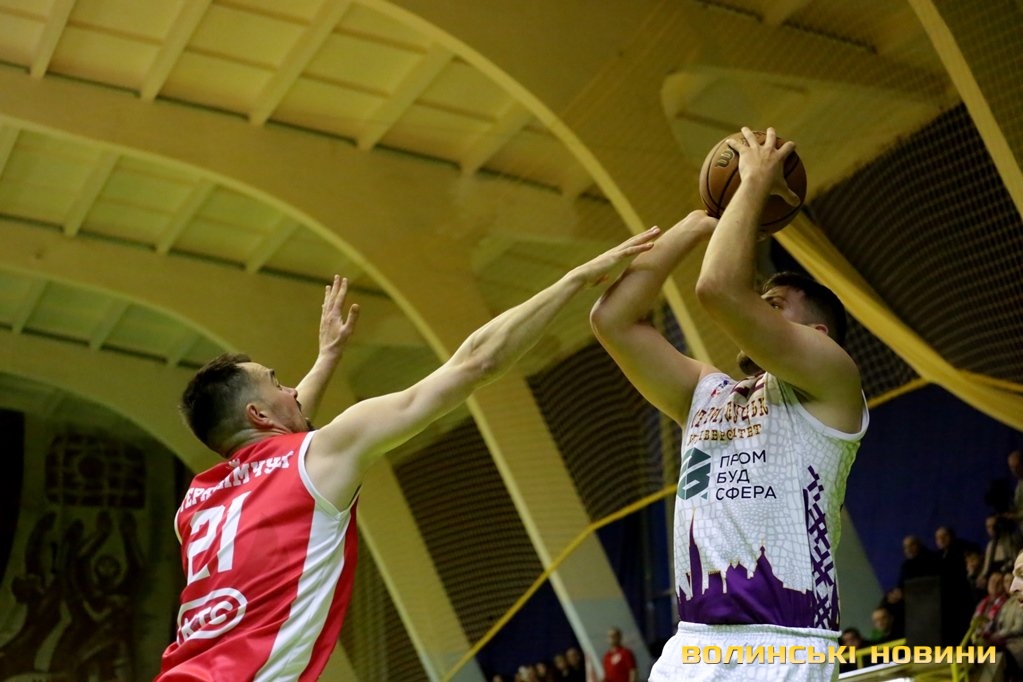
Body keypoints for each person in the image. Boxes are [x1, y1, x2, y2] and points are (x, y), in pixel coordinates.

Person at [156, 232, 661, 681]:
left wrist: (328, 357)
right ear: (258, 414)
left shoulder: (195, 505)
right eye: (278, 383)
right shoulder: (320, 455)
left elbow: (278, 433)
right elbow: (476, 362)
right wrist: (574, 280)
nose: (292, 390)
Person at [591, 127, 868, 681]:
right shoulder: (706, 392)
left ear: (818, 335)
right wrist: (701, 222)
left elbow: (718, 288)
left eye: (774, 304)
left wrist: (755, 182)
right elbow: (612, 320)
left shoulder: (834, 382)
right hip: (692, 644)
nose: (758, 310)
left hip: (783, 642)